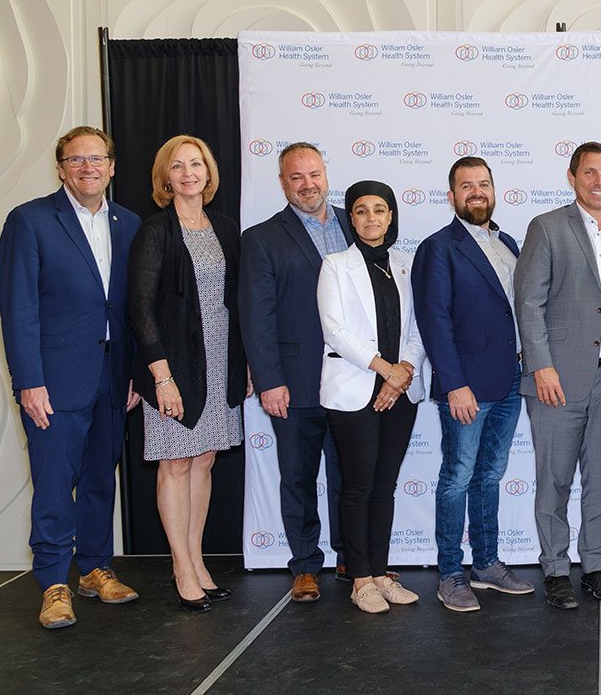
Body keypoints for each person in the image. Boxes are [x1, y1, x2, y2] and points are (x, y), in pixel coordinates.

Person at [0, 126, 142, 629]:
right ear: (61, 168)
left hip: (114, 375)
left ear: (111, 166)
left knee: (103, 478)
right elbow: (19, 309)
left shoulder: (129, 223)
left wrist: (133, 375)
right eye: (76, 160)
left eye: (96, 159)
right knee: (56, 484)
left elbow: (130, 309)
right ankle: (54, 583)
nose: (87, 168)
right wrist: (28, 380)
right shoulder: (31, 220)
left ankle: (96, 569)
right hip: (54, 380)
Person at [514, 142, 601, 609]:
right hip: (556, 379)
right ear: (572, 177)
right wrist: (541, 365)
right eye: (590, 173)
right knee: (553, 479)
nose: (599, 182)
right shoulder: (548, 228)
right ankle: (555, 568)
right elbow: (529, 302)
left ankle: (595, 564)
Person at [128, 134, 246, 612]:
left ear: (208, 173)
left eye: (196, 164)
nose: (188, 173)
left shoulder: (224, 227)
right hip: (173, 365)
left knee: (204, 460)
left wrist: (244, 364)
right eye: (178, 166)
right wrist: (162, 376)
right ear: (165, 178)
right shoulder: (155, 230)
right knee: (175, 463)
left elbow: (235, 303)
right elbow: (140, 307)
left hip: (219, 360)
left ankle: (197, 561)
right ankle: (181, 566)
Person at [413, 157, 535, 613]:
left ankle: (486, 565)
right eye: (467, 186)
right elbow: (435, 320)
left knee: (490, 476)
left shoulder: (507, 242)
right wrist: (454, 383)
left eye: (484, 184)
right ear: (452, 196)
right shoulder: (438, 247)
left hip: (508, 383)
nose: (477, 192)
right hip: (466, 387)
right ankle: (450, 573)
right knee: (456, 478)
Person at [239, 142, 355, 603]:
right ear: (283, 183)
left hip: (353, 379)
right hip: (295, 379)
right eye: (296, 177)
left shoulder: (356, 222)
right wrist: (268, 380)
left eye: (314, 174)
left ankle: (352, 557)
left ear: (326, 174)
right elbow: (256, 315)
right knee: (298, 478)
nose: (308, 184)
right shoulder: (262, 238)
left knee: (351, 476)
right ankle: (306, 565)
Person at [318, 180, 426, 614]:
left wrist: (404, 373)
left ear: (392, 215)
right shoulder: (335, 265)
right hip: (354, 389)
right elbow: (335, 331)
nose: (371, 218)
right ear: (351, 217)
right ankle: (359, 577)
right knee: (358, 486)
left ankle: (381, 573)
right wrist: (385, 369)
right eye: (360, 211)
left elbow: (417, 329)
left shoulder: (404, 264)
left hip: (401, 392)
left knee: (385, 487)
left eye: (379, 209)